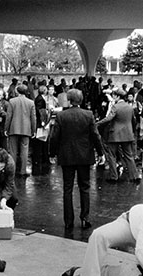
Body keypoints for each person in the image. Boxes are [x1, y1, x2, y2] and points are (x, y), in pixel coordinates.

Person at [49, 89, 104, 231]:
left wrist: (52, 153)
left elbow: (55, 136)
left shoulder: (61, 116)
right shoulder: (88, 115)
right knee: (85, 187)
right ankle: (85, 218)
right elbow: (95, 135)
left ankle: (68, 221)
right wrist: (100, 153)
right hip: (84, 155)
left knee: (67, 188)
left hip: (66, 155)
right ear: (81, 100)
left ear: (69, 99)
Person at [96, 89, 139, 183]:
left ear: (118, 96)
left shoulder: (115, 107)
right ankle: (134, 176)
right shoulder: (129, 107)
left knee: (111, 155)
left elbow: (109, 118)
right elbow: (134, 121)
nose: (113, 97)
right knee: (129, 156)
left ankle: (114, 177)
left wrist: (98, 123)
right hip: (127, 134)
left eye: (114, 95)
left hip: (115, 134)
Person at [5, 84, 36, 176]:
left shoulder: (12, 101)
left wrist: (6, 128)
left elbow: (9, 116)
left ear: (17, 91)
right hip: (26, 129)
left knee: (13, 151)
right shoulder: (31, 102)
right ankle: (23, 170)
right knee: (25, 151)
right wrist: (33, 130)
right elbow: (33, 118)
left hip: (14, 128)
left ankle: (12, 170)